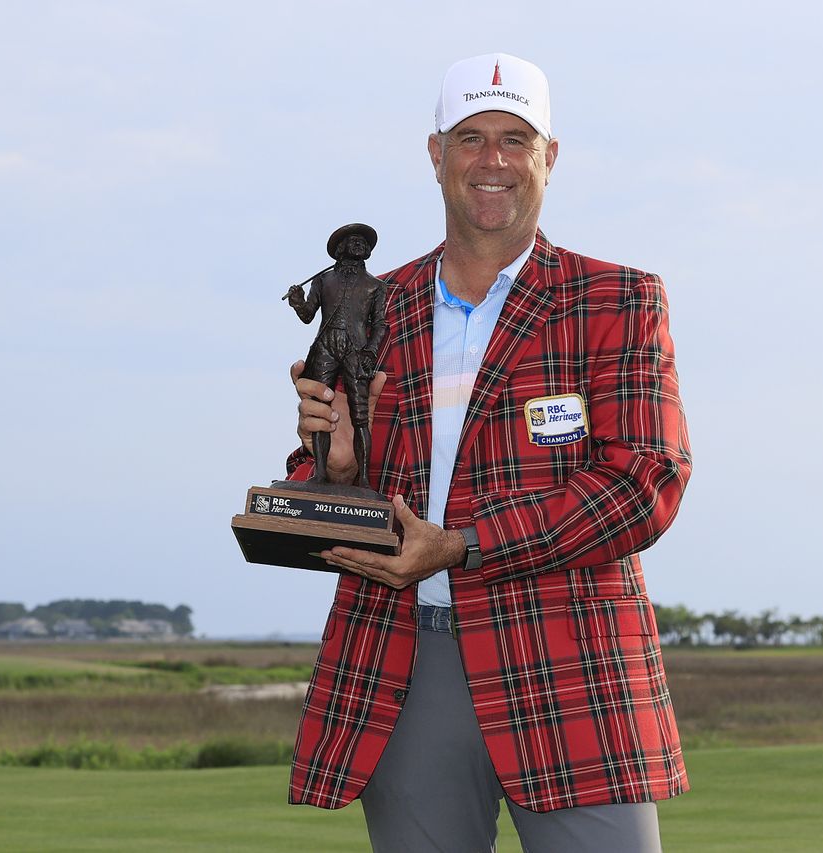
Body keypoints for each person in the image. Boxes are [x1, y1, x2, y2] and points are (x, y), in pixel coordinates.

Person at [284, 53, 692, 852]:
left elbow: (646, 481)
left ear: (549, 156)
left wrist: (465, 546)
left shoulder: (615, 298)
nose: (493, 160)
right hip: (404, 663)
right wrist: (335, 472)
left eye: (515, 138)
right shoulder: (378, 302)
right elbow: (314, 491)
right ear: (437, 155)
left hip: (573, 661)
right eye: (471, 137)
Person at [285, 223, 388, 488]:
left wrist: (370, 351)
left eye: (363, 243)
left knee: (360, 415)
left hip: (356, 348)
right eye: (353, 241)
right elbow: (308, 315)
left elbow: (379, 325)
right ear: (339, 249)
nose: (359, 245)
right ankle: (320, 472)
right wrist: (297, 300)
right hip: (325, 345)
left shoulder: (375, 286)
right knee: (320, 411)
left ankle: (364, 478)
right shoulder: (324, 280)